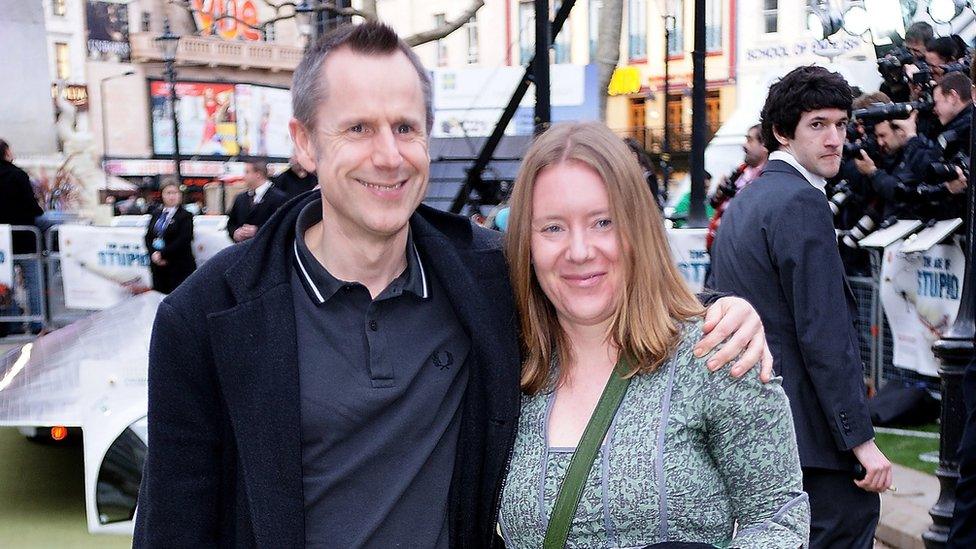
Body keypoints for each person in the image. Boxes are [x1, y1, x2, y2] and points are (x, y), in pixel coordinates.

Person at [134, 22, 772, 548]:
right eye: (358, 128)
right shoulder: (210, 315)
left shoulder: (481, 275)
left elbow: (587, 275)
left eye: (406, 128)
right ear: (305, 143)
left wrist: (724, 311)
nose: (388, 154)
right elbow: (174, 522)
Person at [498, 121, 808, 547]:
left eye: (602, 222)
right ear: (525, 243)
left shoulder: (714, 350)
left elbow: (779, 515)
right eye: (553, 227)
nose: (579, 250)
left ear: (637, 228)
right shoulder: (503, 364)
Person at [707, 66, 893, 549]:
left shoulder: (749, 201)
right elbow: (824, 334)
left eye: (840, 124)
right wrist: (861, 441)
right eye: (818, 125)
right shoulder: (798, 203)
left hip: (760, 429)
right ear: (782, 132)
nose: (834, 139)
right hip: (809, 436)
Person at [0, 138, 44, 336]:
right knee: (33, 282)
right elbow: (32, 206)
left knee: (5, 284)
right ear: (6, 152)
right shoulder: (18, 175)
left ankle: (12, 324)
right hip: (26, 238)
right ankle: (37, 323)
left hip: (2, 242)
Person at [706, 123, 768, 252]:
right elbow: (715, 203)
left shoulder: (766, 177)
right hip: (719, 245)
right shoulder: (740, 172)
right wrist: (720, 192)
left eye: (750, 140)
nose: (745, 145)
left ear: (764, 146)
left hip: (740, 248)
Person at [143, 178, 196, 294]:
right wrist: (154, 254)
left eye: (175, 193)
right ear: (162, 195)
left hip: (178, 267)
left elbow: (184, 240)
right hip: (158, 268)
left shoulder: (186, 216)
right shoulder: (156, 214)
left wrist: (163, 254)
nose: (172, 196)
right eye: (168, 193)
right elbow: (148, 237)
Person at [226, 159, 288, 242]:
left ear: (258, 174)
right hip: (241, 250)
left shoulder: (279, 198)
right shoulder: (240, 198)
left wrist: (258, 230)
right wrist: (235, 233)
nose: (244, 176)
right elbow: (231, 223)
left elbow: (281, 225)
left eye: (247, 172)